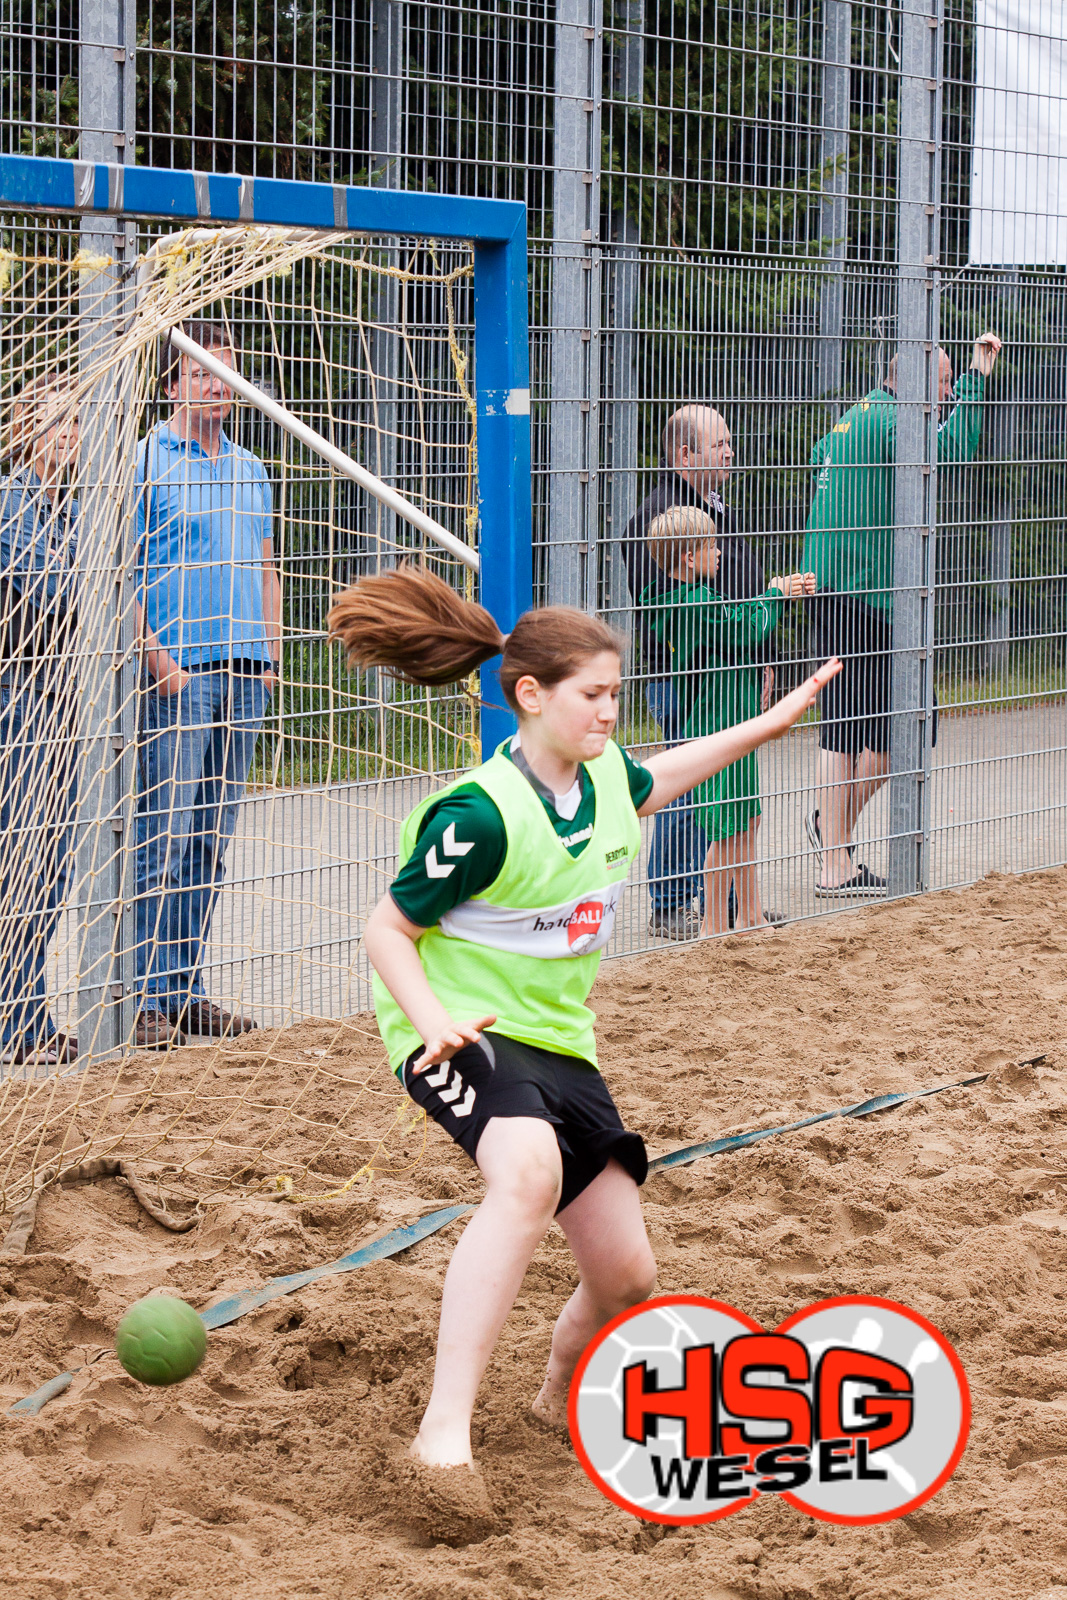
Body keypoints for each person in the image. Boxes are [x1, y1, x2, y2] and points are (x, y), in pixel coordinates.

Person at [328, 561, 840, 1477]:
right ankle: (443, 1433)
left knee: (626, 1276)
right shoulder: (480, 816)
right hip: (461, 1030)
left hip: (559, 1042)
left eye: (617, 694)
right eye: (594, 695)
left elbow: (671, 770)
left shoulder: (605, 783)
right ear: (531, 695)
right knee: (523, 1176)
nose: (610, 712)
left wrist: (775, 720)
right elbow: (385, 929)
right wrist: (432, 1020)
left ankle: (556, 1392)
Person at [802, 332, 1003, 896]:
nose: (944, 395)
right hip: (865, 592)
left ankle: (833, 848)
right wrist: (976, 381)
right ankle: (832, 845)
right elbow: (948, 451)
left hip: (830, 584)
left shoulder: (855, 414)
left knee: (844, 725)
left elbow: (819, 457)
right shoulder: (895, 419)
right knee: (912, 719)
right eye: (940, 384)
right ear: (910, 382)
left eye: (948, 384)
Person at [134, 322, 282, 1048]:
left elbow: (265, 564)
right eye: (202, 375)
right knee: (162, 834)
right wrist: (157, 660)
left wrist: (273, 652)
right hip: (178, 675)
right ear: (170, 385)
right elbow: (117, 575)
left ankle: (184, 989)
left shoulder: (252, 466)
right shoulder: (141, 461)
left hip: (244, 672)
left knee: (209, 842)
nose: (218, 386)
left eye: (227, 374)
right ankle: (141, 999)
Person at [622, 404, 771, 939]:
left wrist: (761, 653)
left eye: (730, 441)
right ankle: (669, 901)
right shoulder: (658, 513)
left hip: (732, 663)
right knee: (690, 786)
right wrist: (713, 628)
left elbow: (744, 580)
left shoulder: (715, 506)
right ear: (685, 455)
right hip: (689, 677)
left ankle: (728, 906)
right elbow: (662, 600)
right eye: (720, 444)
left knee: (729, 792)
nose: (730, 451)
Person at [642, 507, 814, 934]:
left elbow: (732, 624)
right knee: (726, 826)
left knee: (745, 820)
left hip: (731, 720)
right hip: (718, 725)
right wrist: (776, 593)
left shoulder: (692, 599)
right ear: (687, 557)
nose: (719, 553)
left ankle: (749, 914)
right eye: (712, 546)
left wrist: (776, 592)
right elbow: (742, 629)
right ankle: (715, 925)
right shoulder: (690, 602)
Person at [0, 374, 80, 1066]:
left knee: (52, 864)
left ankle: (28, 1010)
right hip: (22, 700)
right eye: (56, 420)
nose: (69, 433)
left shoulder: (76, 510)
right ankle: (19, 1024)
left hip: (65, 703)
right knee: (22, 861)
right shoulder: (9, 505)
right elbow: (27, 613)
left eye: (78, 421)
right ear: (25, 426)